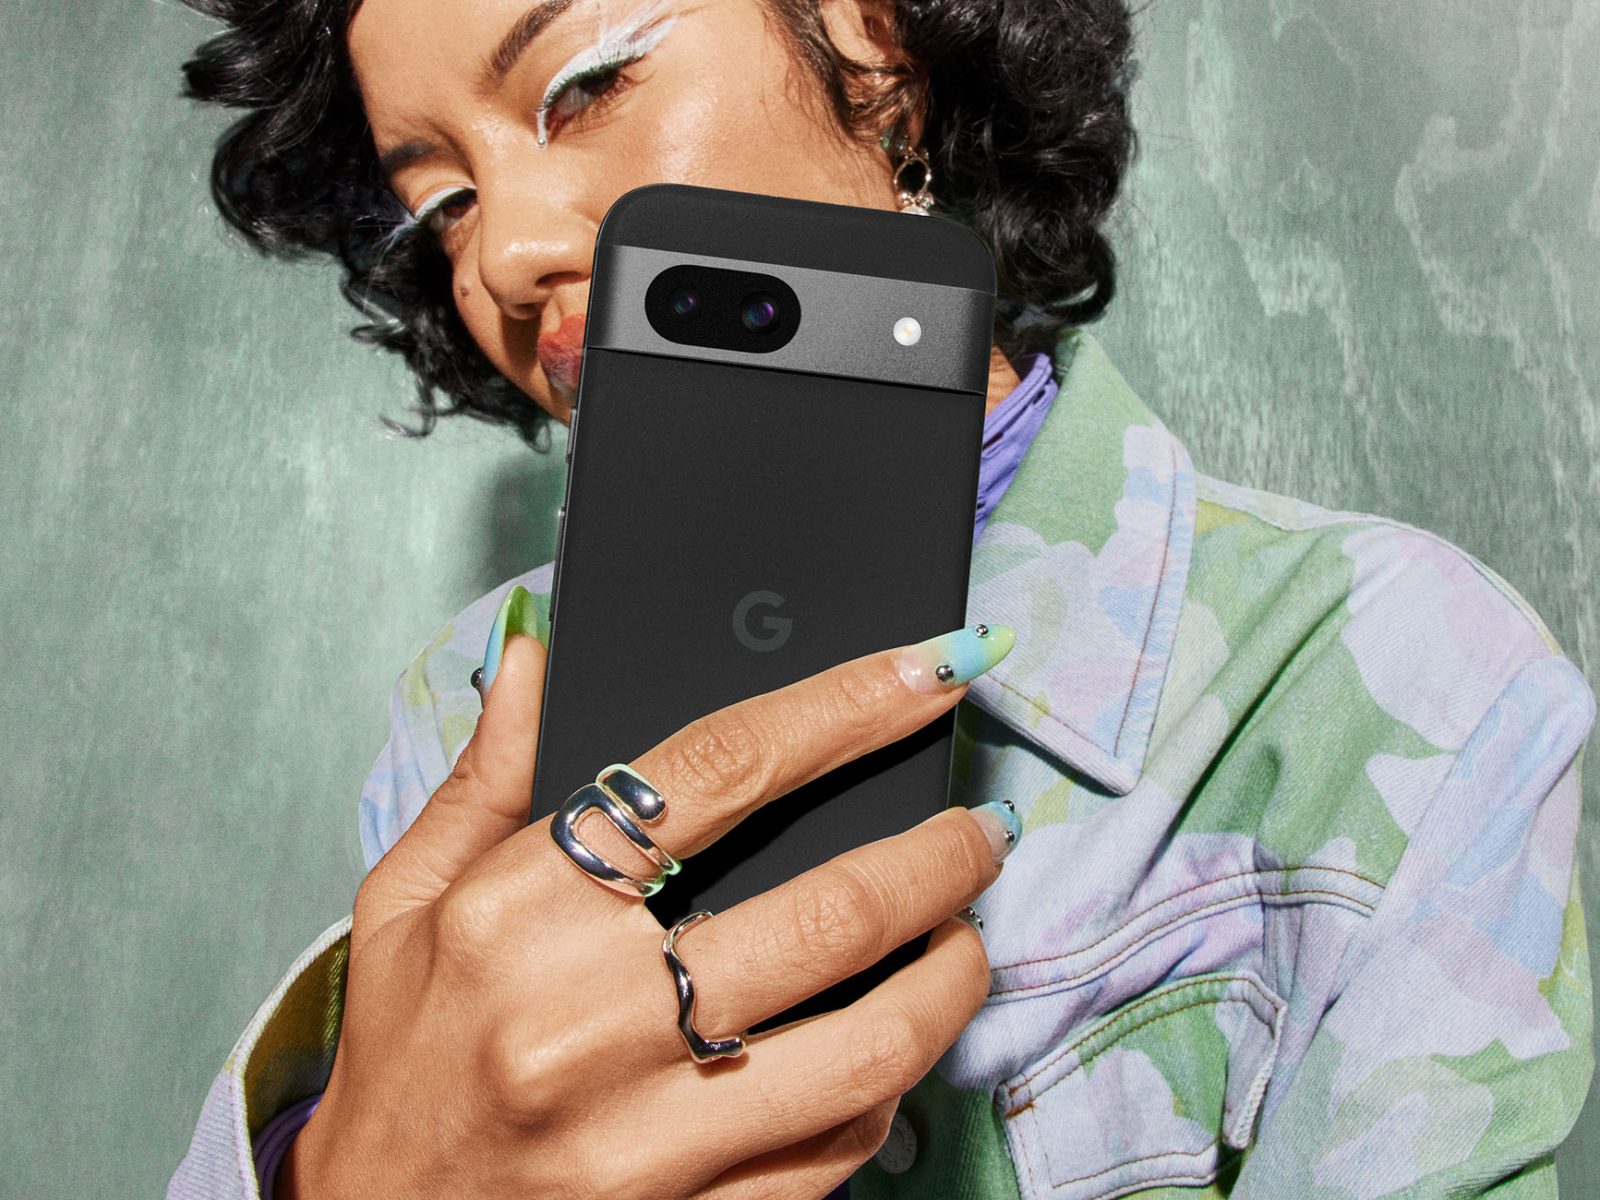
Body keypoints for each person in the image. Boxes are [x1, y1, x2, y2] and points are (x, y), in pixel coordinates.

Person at [168, 0, 1598, 1197]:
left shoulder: (1395, 669)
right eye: (444, 202)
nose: (502, 253)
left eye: (586, 84)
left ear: (881, 48)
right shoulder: (471, 696)